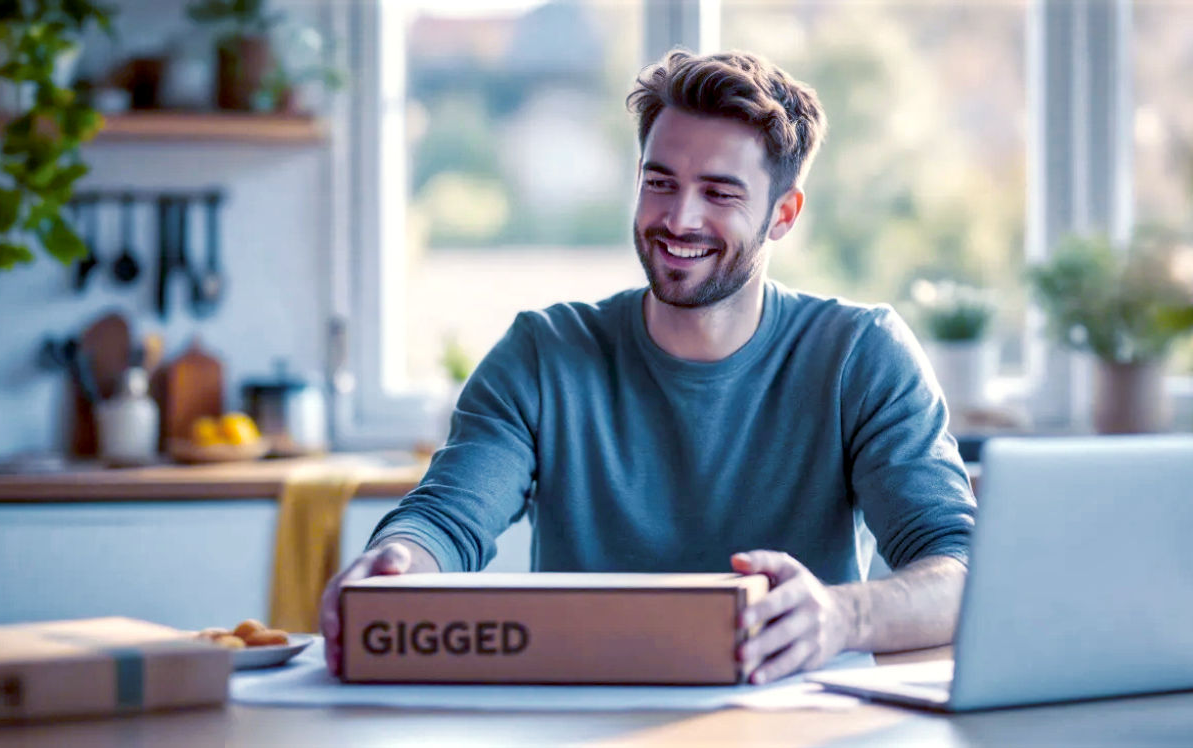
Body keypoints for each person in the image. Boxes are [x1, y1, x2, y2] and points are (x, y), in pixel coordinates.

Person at [321, 49, 976, 684]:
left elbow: (963, 568)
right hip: (582, 718)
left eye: (719, 193)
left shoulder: (860, 354)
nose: (678, 218)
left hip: (795, 720)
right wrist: (396, 564)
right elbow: (447, 519)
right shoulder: (544, 354)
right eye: (660, 182)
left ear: (783, 214)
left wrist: (842, 615)